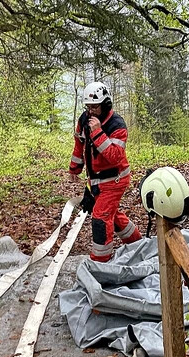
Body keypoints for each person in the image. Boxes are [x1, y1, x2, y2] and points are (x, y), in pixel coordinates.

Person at [69, 81, 142, 262]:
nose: (91, 111)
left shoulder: (117, 125)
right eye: (88, 107)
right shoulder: (84, 120)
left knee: (101, 217)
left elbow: (115, 157)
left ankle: (101, 261)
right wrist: (74, 169)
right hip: (95, 180)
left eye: (95, 107)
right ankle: (138, 243)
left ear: (105, 104)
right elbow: (80, 145)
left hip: (115, 180)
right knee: (113, 215)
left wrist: (98, 132)